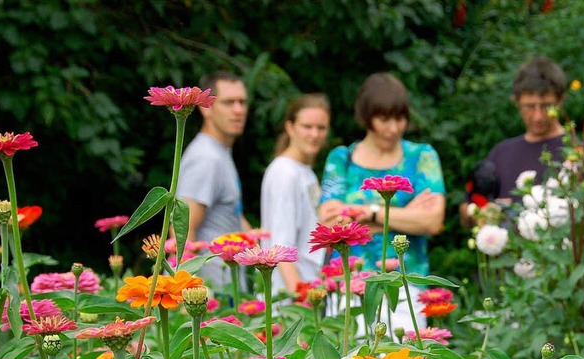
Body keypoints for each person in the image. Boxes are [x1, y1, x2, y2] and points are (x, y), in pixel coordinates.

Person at [318, 72, 446, 333]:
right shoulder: (342, 158)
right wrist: (406, 217)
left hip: (405, 287)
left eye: (400, 118)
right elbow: (330, 225)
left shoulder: (422, 156)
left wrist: (370, 214)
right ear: (366, 117)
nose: (394, 128)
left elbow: (433, 221)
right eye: (384, 119)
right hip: (348, 286)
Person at [460, 56, 567, 227]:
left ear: (561, 100)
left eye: (546, 105)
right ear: (516, 102)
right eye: (530, 106)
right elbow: (466, 211)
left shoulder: (579, 152)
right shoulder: (501, 153)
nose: (538, 116)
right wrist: (479, 212)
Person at [177, 71, 250, 289]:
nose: (238, 110)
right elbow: (181, 230)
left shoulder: (219, 153)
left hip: (224, 287)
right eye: (229, 102)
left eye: (242, 102)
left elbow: (232, 214)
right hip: (208, 293)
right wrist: (185, 292)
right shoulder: (205, 158)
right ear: (205, 107)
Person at [260, 93, 331, 294]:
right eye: (307, 127)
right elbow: (281, 244)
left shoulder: (304, 171)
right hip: (288, 295)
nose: (315, 134)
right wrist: (301, 296)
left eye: (321, 128)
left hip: (308, 284)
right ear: (290, 127)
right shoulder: (285, 172)